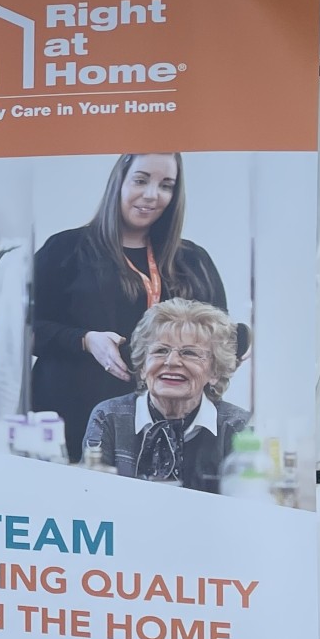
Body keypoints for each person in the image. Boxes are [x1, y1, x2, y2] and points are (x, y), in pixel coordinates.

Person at [32, 153, 230, 462]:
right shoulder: (65, 250)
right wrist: (85, 340)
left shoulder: (193, 261)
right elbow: (23, 330)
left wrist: (240, 340)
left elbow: (220, 336)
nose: (152, 195)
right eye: (140, 180)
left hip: (167, 425)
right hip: (72, 420)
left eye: (166, 185)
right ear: (119, 182)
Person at [81, 298, 247, 493]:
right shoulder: (109, 417)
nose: (172, 361)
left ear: (215, 372)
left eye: (189, 353)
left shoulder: (238, 426)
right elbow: (90, 496)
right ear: (143, 367)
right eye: (161, 350)